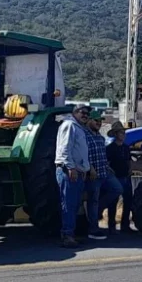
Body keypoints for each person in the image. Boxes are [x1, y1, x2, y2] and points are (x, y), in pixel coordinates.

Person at [55, 104, 92, 248]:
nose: (85, 115)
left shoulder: (78, 127)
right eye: (82, 112)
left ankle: (71, 233)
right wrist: (70, 167)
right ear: (75, 112)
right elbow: (64, 149)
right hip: (69, 172)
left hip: (78, 172)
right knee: (68, 204)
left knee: (74, 205)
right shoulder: (69, 125)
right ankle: (67, 235)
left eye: (87, 113)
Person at [84, 111, 123, 240]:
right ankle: (93, 228)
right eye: (96, 121)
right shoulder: (85, 136)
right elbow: (84, 155)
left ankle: (99, 210)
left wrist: (108, 167)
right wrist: (90, 168)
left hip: (104, 171)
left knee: (117, 189)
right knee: (93, 200)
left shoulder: (100, 138)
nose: (99, 123)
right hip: (93, 174)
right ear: (89, 120)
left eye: (100, 121)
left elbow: (102, 156)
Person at [106, 121, 135, 233]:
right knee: (113, 202)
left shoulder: (126, 148)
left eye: (124, 133)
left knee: (128, 201)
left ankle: (125, 225)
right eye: (121, 133)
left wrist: (130, 169)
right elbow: (107, 163)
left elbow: (129, 160)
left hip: (126, 177)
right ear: (116, 134)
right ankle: (111, 226)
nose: (123, 135)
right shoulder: (110, 148)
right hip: (115, 177)